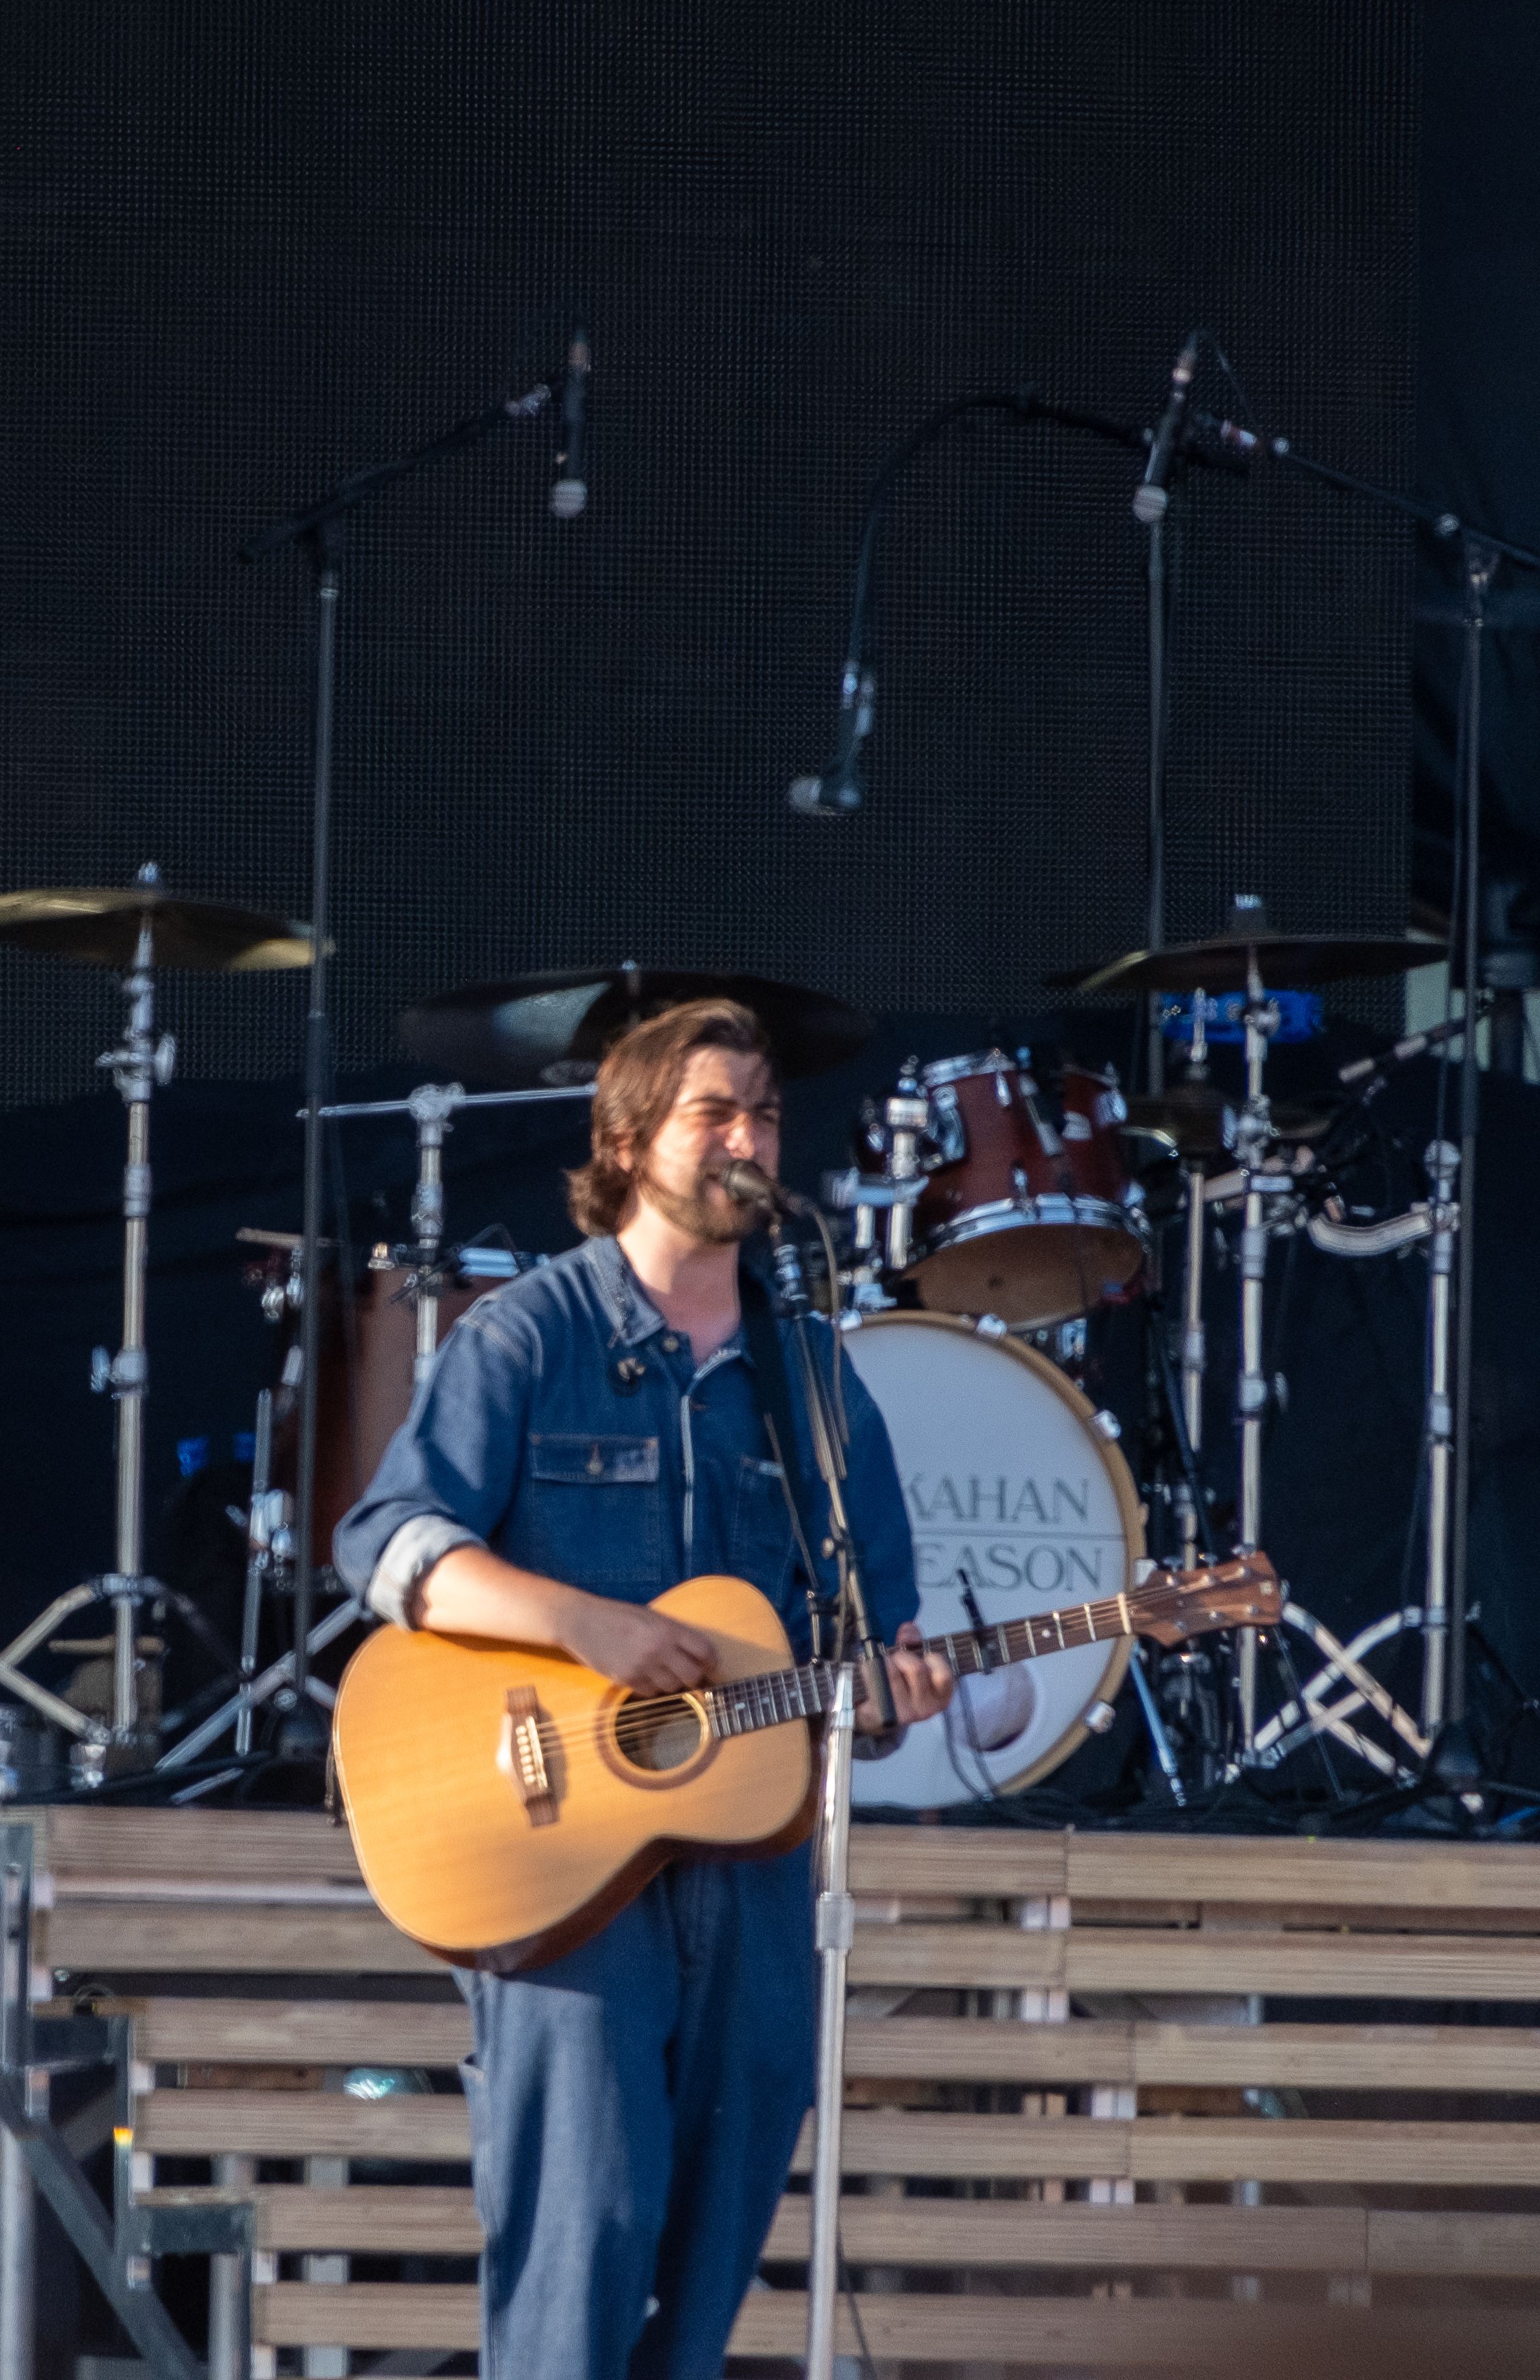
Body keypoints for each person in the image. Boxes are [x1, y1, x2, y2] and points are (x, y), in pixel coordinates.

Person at [332, 996, 1034, 2377]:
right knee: (582, 2220)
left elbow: (867, 1632)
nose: (748, 1137)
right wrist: (583, 1625)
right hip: (560, 1860)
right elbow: (391, 1545)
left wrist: (895, 1685)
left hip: (757, 1861)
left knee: (718, 2237)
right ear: (629, 1138)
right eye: (713, 1112)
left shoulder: (814, 1374)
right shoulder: (530, 1336)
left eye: (763, 1112)